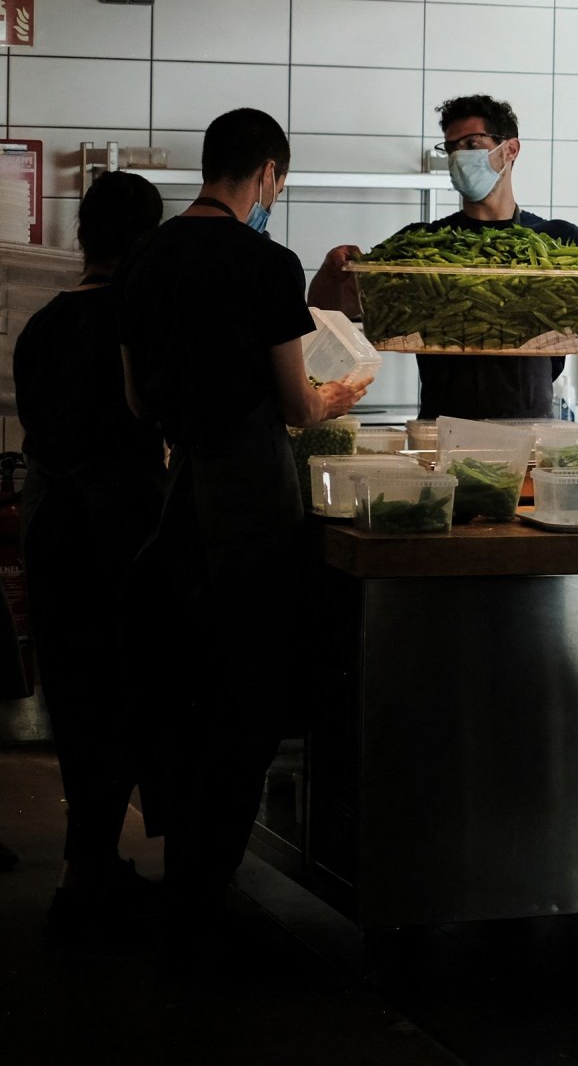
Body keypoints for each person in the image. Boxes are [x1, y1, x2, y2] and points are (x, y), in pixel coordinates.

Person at [119, 110, 369, 959]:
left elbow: (137, 400)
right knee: (249, 698)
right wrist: (340, 397)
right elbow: (299, 406)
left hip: (180, 489)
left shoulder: (147, 254)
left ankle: (183, 881)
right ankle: (207, 894)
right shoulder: (266, 263)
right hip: (252, 501)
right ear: (267, 174)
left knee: (186, 688)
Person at [16, 172, 166, 947]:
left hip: (52, 533)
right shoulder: (134, 322)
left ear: (83, 237)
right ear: (149, 242)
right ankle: (86, 877)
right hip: (118, 535)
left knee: (78, 703)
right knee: (120, 701)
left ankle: (91, 866)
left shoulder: (44, 322)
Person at [309, 93, 578, 420]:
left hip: (529, 427)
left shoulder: (558, 241)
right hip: (440, 429)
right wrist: (330, 272)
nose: (459, 156)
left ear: (510, 150)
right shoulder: (419, 245)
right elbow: (329, 314)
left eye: (472, 145)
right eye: (452, 148)